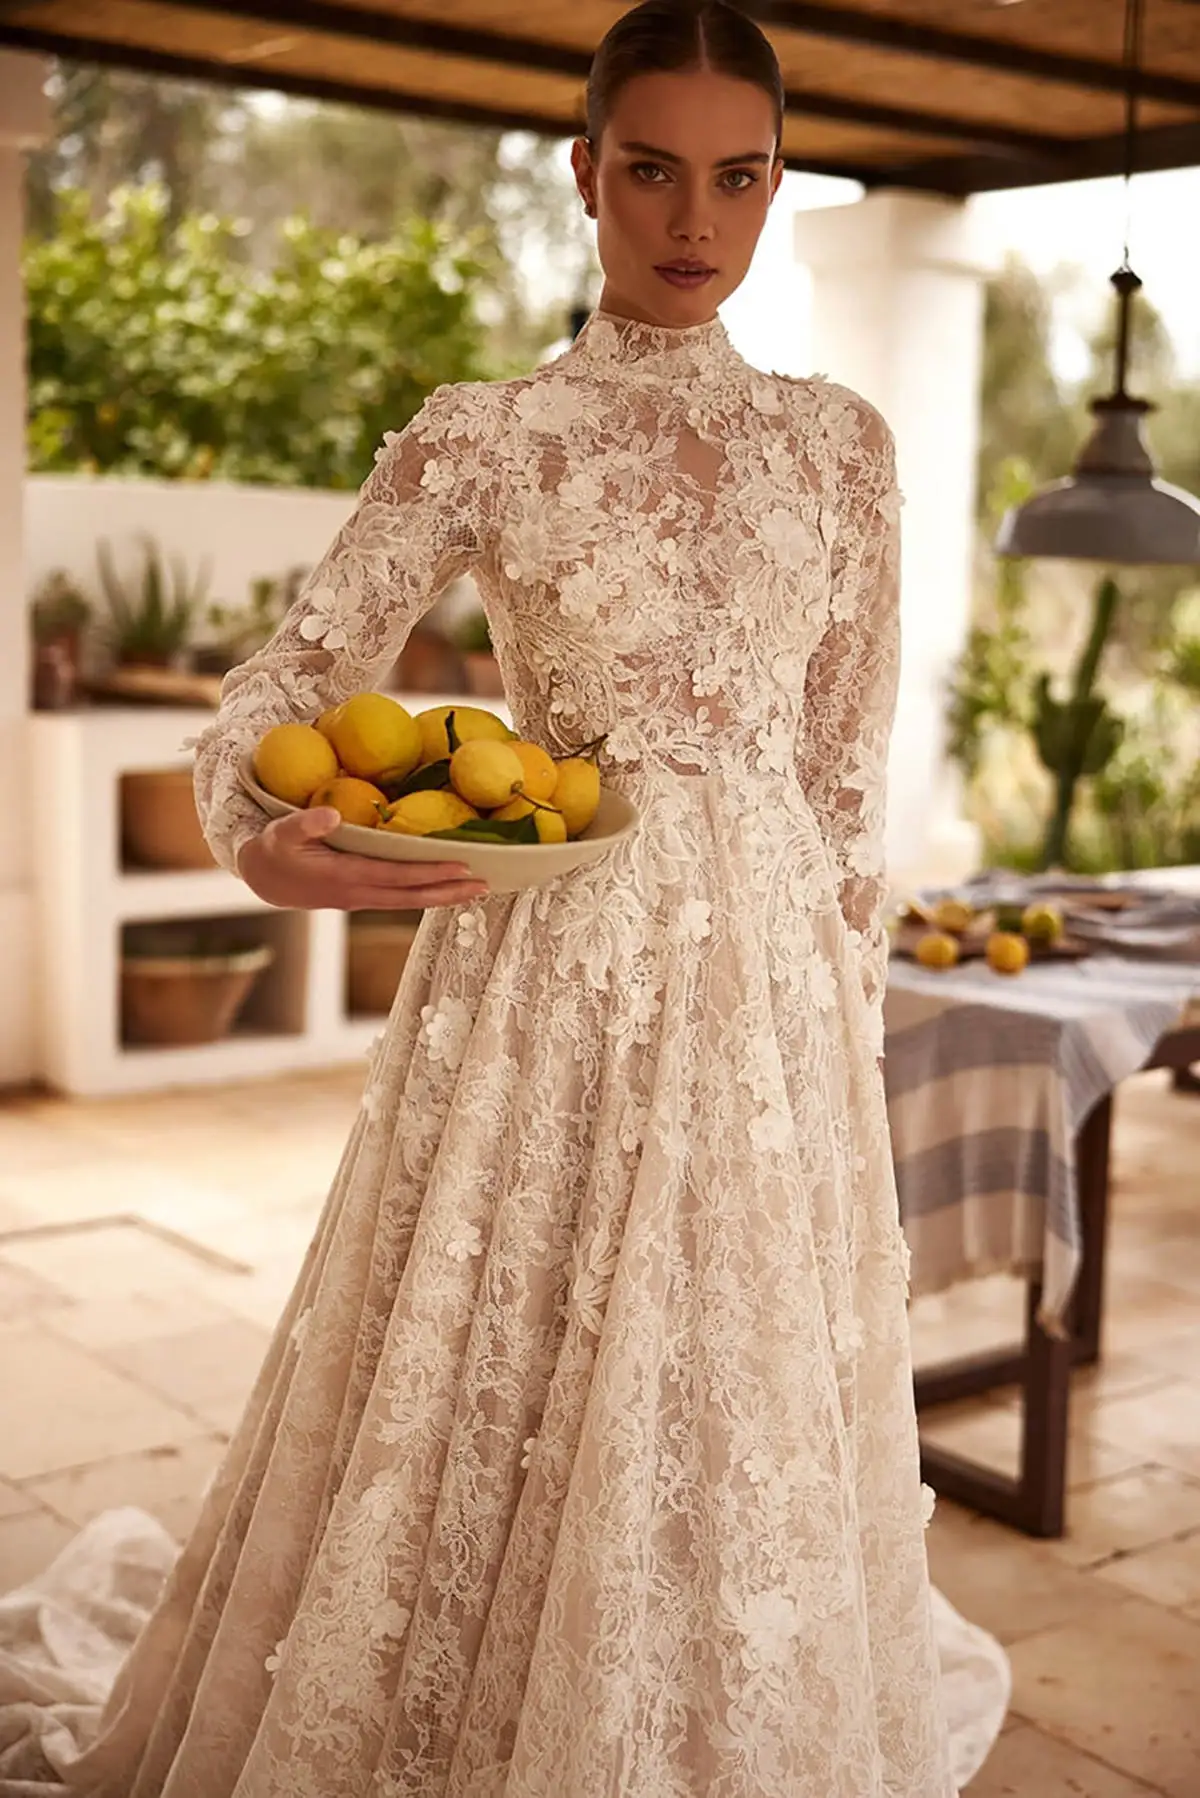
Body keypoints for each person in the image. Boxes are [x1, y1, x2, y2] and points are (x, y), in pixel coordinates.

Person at [0, 3, 1011, 1792]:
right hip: (559, 970)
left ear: (777, 186)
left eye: (739, 176)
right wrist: (259, 834)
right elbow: (280, 686)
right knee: (513, 1379)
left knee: (738, 1388)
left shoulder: (844, 447)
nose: (691, 220)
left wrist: (837, 1010)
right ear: (584, 171)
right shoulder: (488, 436)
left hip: (774, 991)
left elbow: (845, 777)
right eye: (649, 171)